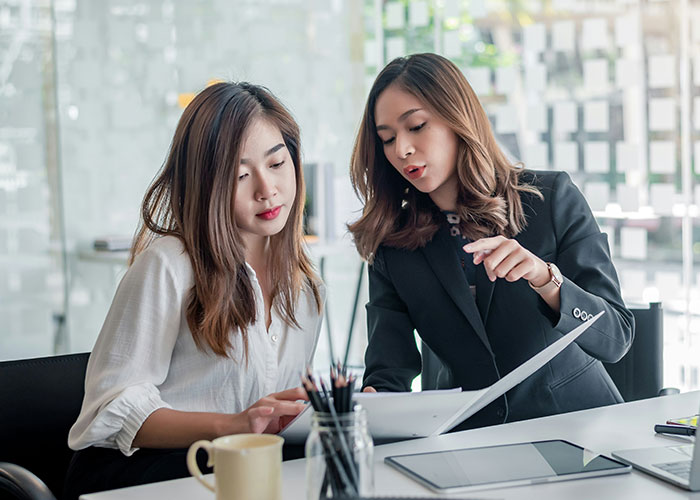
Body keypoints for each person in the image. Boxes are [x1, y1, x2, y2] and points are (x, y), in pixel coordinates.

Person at [64, 82, 324, 499]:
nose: (266, 188)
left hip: (239, 472)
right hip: (148, 474)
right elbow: (110, 411)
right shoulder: (169, 265)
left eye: (277, 163)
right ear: (207, 185)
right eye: (240, 175)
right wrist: (234, 425)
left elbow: (269, 417)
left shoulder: (306, 287)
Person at [348, 53, 633, 430]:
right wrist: (371, 403)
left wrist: (545, 278)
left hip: (580, 426)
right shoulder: (392, 243)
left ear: (457, 119)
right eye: (387, 138)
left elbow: (615, 337)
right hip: (469, 439)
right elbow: (388, 371)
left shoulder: (551, 198)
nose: (401, 149)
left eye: (416, 126)